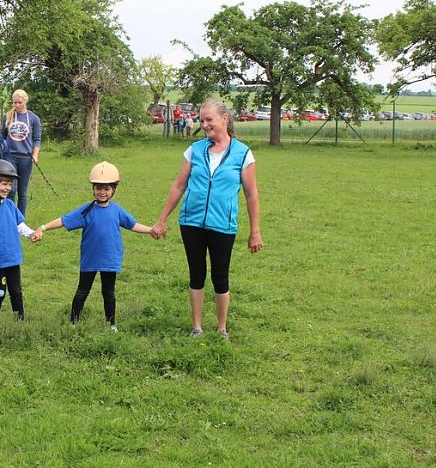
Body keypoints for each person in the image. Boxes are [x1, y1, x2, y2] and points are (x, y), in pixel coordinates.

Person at [153, 99, 263, 340]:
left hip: (223, 225)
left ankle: (222, 328)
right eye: (202, 120)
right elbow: (178, 186)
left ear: (224, 120)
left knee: (220, 276)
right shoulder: (194, 150)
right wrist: (162, 220)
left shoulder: (243, 153)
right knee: (196, 274)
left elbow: (251, 194)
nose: (204, 124)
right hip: (191, 222)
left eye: (209, 119)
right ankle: (197, 327)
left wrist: (255, 231)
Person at [32, 162, 155, 332]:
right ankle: (73, 323)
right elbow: (63, 220)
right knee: (82, 291)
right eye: (98, 188)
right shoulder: (86, 211)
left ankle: (111, 324)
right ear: (93, 189)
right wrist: (42, 228)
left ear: (113, 190)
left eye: (106, 188)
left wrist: (151, 230)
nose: (102, 192)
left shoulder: (117, 210)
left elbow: (132, 224)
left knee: (109, 293)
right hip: (90, 259)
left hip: (110, 259)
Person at [0, 159, 38, 320]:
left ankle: (19, 321)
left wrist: (31, 233)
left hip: (13, 257)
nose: (8, 188)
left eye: (10, 184)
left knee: (16, 291)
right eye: (4, 184)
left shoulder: (10, 205)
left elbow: (19, 224)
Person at [0, 89, 42, 217]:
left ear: (25, 102)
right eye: (14, 103)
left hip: (25, 158)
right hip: (10, 157)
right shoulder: (7, 117)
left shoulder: (34, 118)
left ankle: (20, 219)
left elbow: (37, 138)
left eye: (19, 102)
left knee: (22, 191)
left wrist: (35, 154)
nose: (17, 105)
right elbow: (3, 134)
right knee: (11, 189)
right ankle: (10, 216)